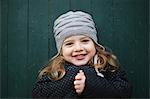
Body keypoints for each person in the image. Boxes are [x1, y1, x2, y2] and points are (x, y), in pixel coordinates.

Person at [32, 11, 132, 98]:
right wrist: (73, 76)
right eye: (69, 43)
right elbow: (38, 93)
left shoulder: (107, 66)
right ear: (61, 50)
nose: (78, 48)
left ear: (95, 44)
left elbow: (123, 92)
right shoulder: (55, 71)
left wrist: (90, 82)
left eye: (85, 41)